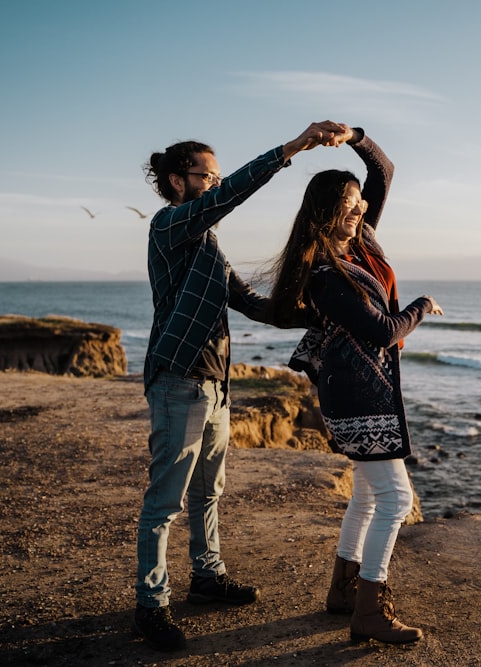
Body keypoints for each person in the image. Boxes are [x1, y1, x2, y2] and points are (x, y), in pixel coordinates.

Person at [135, 121, 348, 652]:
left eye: (216, 175)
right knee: (165, 501)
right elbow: (230, 197)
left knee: (210, 492)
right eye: (207, 176)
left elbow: (256, 305)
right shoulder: (168, 226)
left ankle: (206, 579)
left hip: (215, 385)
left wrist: (323, 316)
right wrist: (292, 149)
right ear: (176, 180)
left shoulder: (207, 246)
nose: (215, 182)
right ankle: (151, 605)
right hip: (178, 381)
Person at [267, 126, 443, 645]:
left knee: (367, 496)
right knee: (395, 498)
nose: (359, 207)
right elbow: (382, 331)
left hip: (367, 388)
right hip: (355, 394)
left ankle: (342, 591)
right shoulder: (324, 272)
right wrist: (421, 306)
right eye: (347, 202)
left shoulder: (360, 242)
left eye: (359, 200)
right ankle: (369, 609)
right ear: (326, 212)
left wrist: (355, 137)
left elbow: (383, 174)